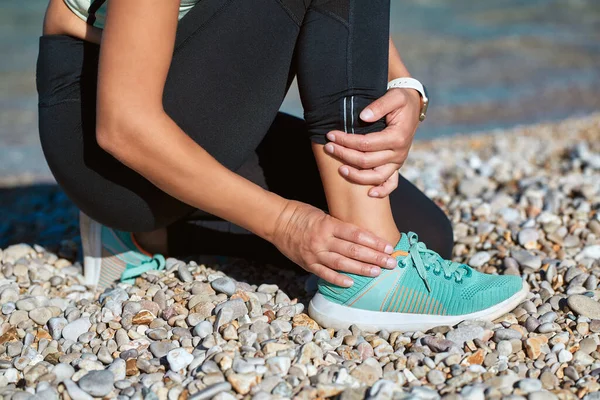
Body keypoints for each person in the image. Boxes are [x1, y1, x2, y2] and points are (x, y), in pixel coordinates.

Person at [37, 0, 528, 331]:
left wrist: (406, 89)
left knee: (419, 235)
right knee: (371, 256)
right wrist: (285, 222)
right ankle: (374, 282)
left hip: (190, 117)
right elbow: (122, 124)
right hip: (106, 155)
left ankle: (150, 237)